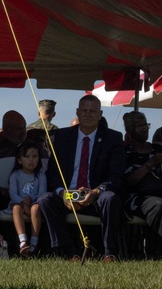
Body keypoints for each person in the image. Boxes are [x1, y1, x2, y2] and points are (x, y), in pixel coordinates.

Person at [37, 95, 126, 262]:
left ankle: (109, 253)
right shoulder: (61, 137)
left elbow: (116, 175)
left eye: (92, 111)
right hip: (67, 195)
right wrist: (63, 193)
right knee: (45, 200)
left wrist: (95, 192)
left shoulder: (113, 138)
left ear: (100, 114)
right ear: (77, 112)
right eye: (84, 110)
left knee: (111, 198)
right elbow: (53, 173)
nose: (88, 114)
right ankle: (69, 252)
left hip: (96, 195)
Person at [122, 111, 162, 258]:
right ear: (129, 131)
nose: (145, 128)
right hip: (137, 196)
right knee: (158, 205)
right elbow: (128, 181)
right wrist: (150, 164)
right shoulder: (125, 153)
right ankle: (154, 252)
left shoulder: (158, 149)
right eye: (139, 126)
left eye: (146, 124)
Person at [8, 140, 48, 257]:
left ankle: (34, 242)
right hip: (19, 203)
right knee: (16, 208)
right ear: (19, 160)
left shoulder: (41, 176)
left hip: (34, 204)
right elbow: (13, 193)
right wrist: (22, 202)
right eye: (27, 156)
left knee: (36, 209)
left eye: (34, 156)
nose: (31, 160)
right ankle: (23, 241)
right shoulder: (15, 175)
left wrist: (31, 199)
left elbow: (42, 193)